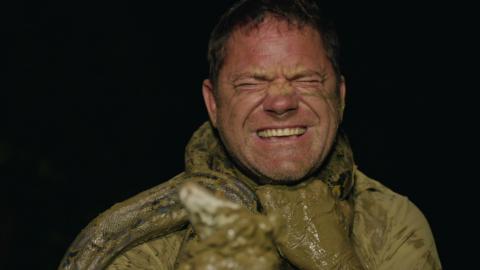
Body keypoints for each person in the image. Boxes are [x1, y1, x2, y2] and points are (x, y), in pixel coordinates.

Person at [59, 0, 441, 269]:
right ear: (213, 103)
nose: (280, 101)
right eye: (250, 84)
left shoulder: (392, 221)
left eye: (305, 79)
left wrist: (334, 261)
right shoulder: (135, 240)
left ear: (339, 96)